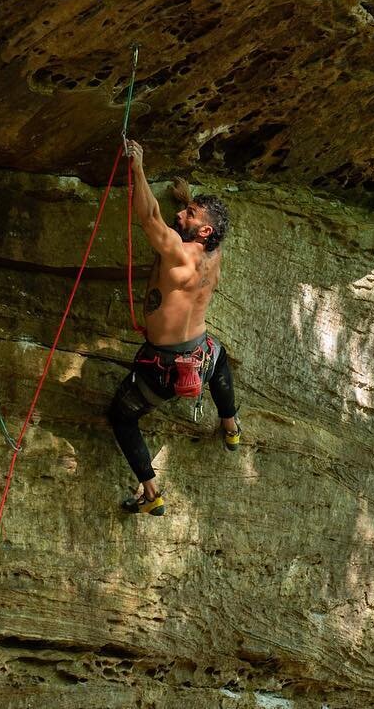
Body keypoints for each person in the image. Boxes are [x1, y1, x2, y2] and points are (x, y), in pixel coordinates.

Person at [107, 139, 238, 516]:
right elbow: (202, 226)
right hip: (202, 356)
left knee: (122, 416)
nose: (180, 214)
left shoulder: (178, 253)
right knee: (221, 354)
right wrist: (189, 198)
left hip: (161, 370)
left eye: (189, 213)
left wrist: (138, 168)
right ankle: (230, 425)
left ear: (202, 232)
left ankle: (150, 492)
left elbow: (149, 217)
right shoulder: (214, 253)